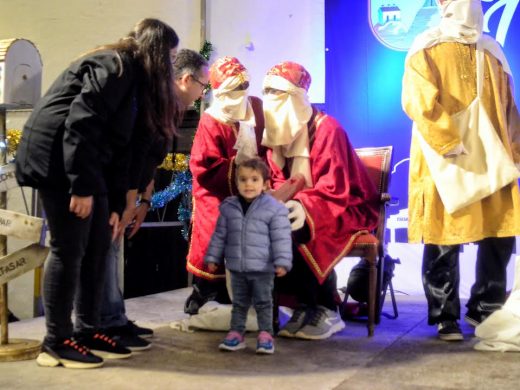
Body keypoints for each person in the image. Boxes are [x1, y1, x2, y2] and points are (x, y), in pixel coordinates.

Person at [15, 18, 180, 369]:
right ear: (157, 51)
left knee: (99, 243)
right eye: (171, 57)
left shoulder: (136, 81)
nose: (172, 66)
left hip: (86, 163)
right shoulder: (115, 67)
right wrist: (82, 186)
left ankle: (89, 330)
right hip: (58, 161)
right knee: (70, 247)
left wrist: (119, 202)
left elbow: (121, 147)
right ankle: (55, 342)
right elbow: (81, 123)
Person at [402, 0, 520, 341]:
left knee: (498, 233)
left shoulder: (491, 49)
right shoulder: (427, 46)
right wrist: (447, 140)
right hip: (445, 156)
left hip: (490, 153)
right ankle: (445, 315)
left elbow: (509, 106)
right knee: (443, 235)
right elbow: (418, 100)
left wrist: (513, 148)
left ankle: (486, 307)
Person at [99, 49, 210, 351]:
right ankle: (103, 325)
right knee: (104, 253)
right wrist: (125, 205)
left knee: (111, 251)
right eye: (203, 84)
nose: (203, 93)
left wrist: (144, 202)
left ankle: (114, 318)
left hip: (126, 185)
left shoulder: (167, 108)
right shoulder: (152, 103)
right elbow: (130, 156)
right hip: (106, 182)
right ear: (186, 79)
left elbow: (149, 160)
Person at [261, 61, 380, 340]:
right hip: (304, 201)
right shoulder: (277, 136)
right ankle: (303, 304)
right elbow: (276, 177)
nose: (269, 101)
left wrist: (297, 202)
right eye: (266, 92)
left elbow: (336, 188)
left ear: (298, 97)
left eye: (277, 93)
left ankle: (325, 307)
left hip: (345, 207)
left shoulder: (328, 130)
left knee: (299, 224)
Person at [185, 56, 266, 314]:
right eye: (232, 90)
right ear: (220, 92)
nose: (239, 95)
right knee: (216, 225)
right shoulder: (211, 119)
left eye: (243, 88)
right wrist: (240, 175)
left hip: (258, 186)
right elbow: (204, 166)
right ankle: (207, 288)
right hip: (218, 190)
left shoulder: (257, 109)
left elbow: (269, 149)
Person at [204, 158, 292, 354]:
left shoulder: (273, 208)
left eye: (254, 179)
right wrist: (212, 258)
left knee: (263, 302)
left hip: (262, 268)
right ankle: (236, 333)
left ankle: (266, 335)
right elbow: (220, 235)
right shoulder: (229, 208)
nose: (248, 184)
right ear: (236, 183)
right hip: (237, 267)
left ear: (265, 183)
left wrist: (282, 261)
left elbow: (281, 237)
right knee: (239, 303)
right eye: (243, 180)